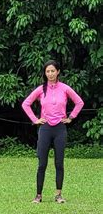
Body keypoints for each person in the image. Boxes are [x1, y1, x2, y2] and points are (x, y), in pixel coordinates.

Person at [22, 60, 84, 204]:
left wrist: (71, 118)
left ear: (58, 72)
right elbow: (26, 104)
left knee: (59, 163)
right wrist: (35, 119)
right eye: (47, 71)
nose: (50, 74)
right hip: (45, 128)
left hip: (60, 129)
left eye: (52, 71)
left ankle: (58, 195)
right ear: (45, 73)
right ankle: (38, 195)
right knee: (42, 163)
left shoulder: (65, 88)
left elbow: (79, 102)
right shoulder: (41, 89)